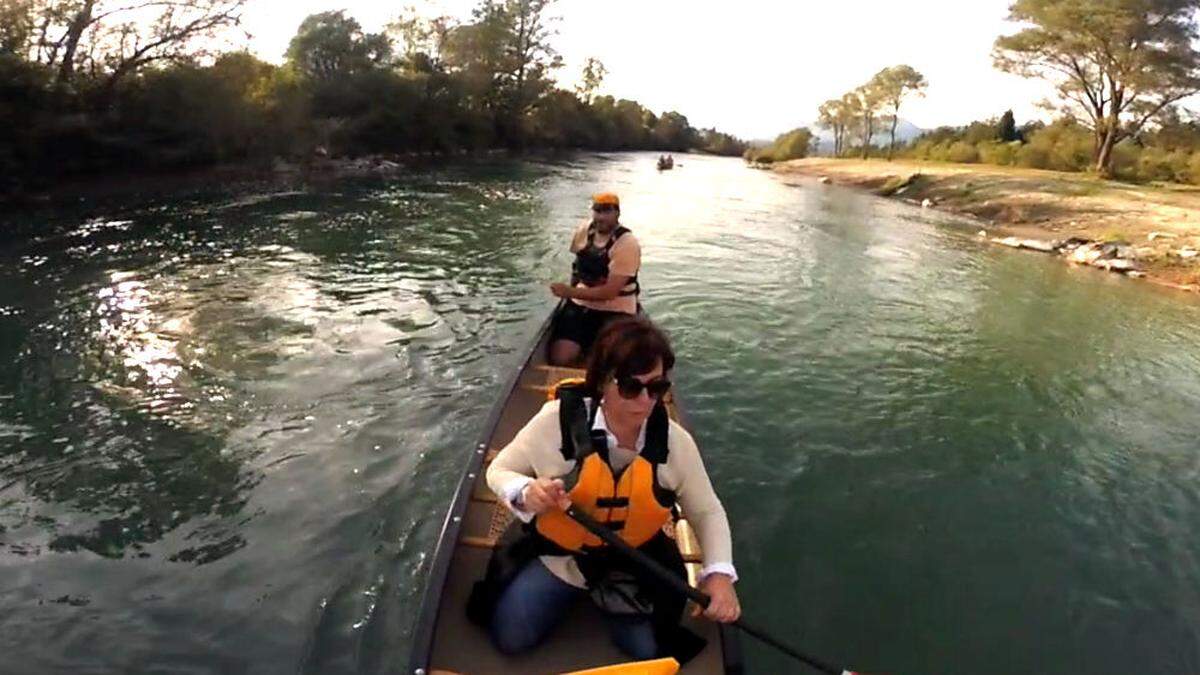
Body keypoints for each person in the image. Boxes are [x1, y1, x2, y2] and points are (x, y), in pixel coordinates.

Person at [480, 317, 740, 662]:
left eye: (657, 388)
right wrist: (526, 491)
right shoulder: (553, 422)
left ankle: (613, 600)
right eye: (632, 388)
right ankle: (588, 597)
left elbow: (706, 511)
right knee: (511, 638)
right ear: (603, 381)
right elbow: (499, 470)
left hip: (632, 559)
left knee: (648, 652)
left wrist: (719, 574)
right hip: (561, 555)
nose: (646, 401)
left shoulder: (677, 444)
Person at [548, 192, 641, 366]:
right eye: (597, 211)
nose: (601, 217)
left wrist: (569, 292)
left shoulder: (627, 243)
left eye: (607, 212)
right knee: (560, 358)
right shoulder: (584, 231)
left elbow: (610, 292)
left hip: (617, 310)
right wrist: (571, 293)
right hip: (581, 305)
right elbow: (577, 267)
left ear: (617, 213)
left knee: (609, 364)